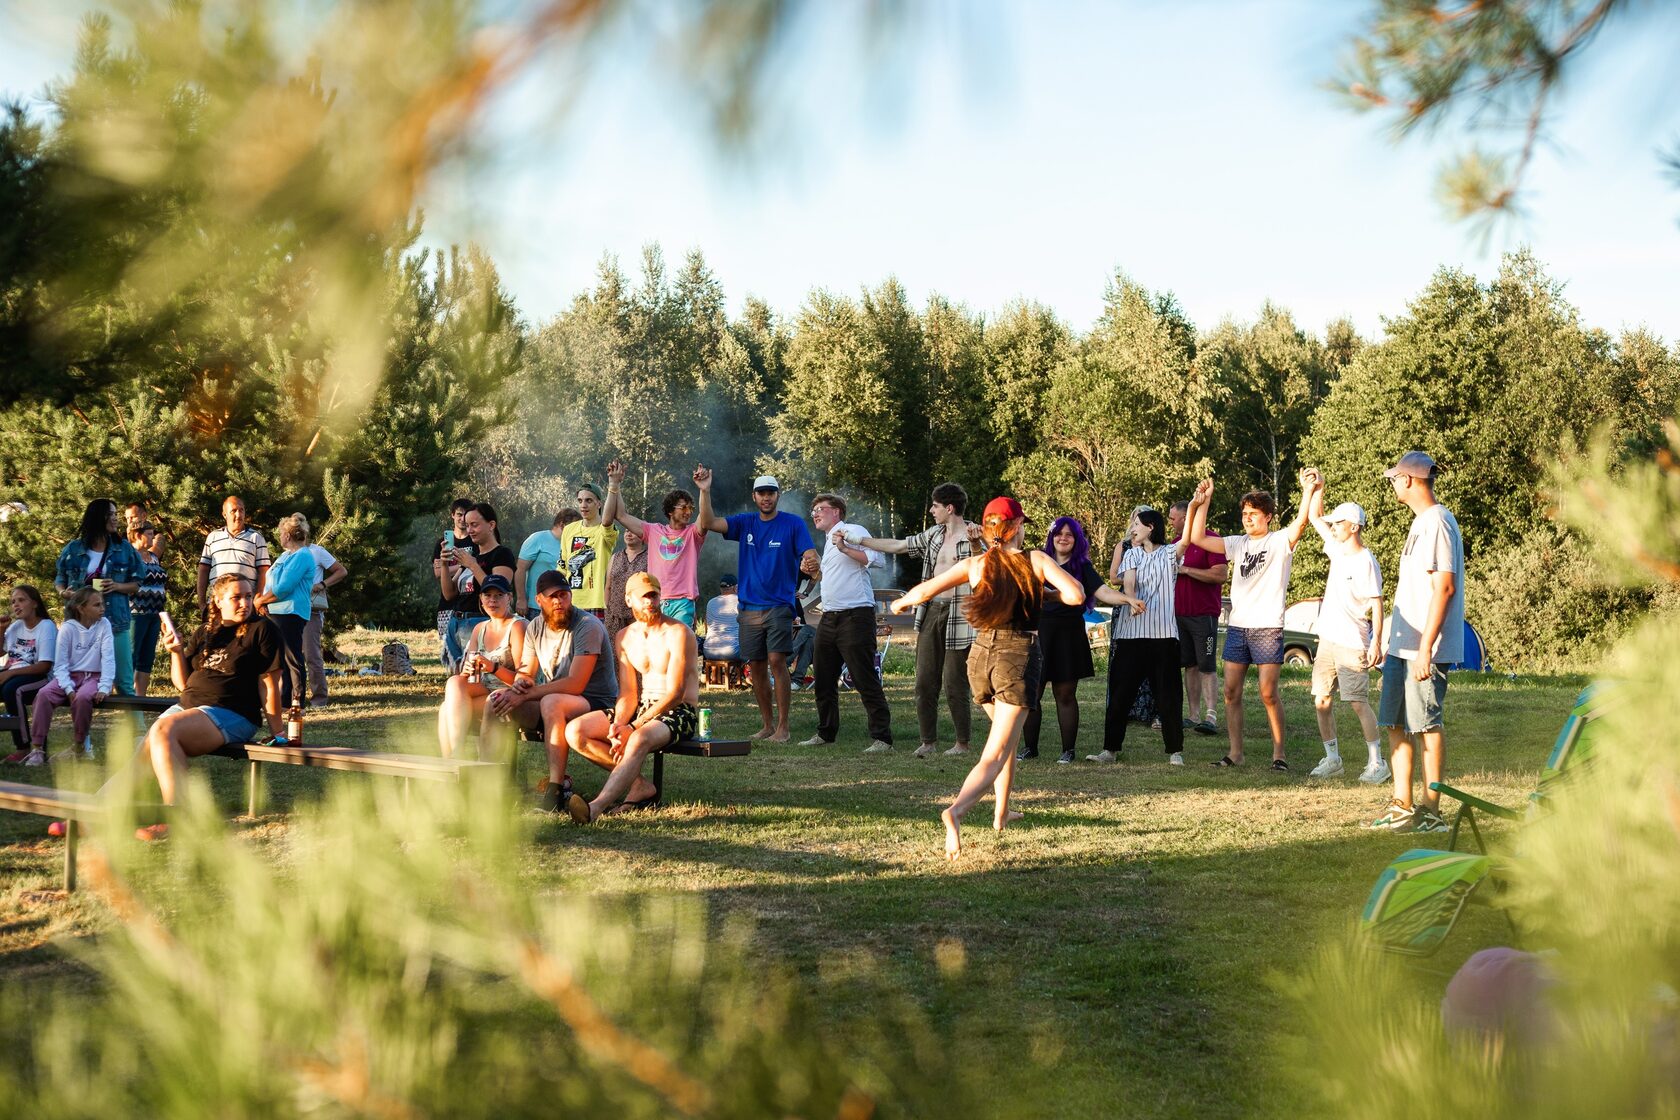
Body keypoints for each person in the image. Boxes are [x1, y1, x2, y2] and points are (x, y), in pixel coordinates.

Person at [891, 496, 1085, 860]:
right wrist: (1043, 591)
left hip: (980, 657)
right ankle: (956, 811)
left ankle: (1001, 813)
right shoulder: (1035, 560)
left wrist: (900, 603)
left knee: (1007, 740)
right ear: (1016, 527)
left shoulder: (977, 563)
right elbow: (1076, 595)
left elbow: (923, 592)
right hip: (1016, 656)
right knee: (994, 752)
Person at [126, 574, 285, 841]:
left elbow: (268, 684)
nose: (245, 602)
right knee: (143, 749)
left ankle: (176, 817)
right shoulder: (205, 632)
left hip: (232, 713)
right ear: (218, 601)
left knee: (163, 729)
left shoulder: (263, 629)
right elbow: (183, 684)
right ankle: (98, 814)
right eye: (236, 597)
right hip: (190, 708)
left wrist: (278, 731)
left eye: (248, 596)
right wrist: (176, 652)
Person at [1184, 477, 1313, 770]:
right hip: (1239, 628)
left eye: (1253, 514)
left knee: (1268, 693)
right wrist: (1204, 501)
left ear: (1267, 516)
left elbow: (1301, 524)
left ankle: (1279, 755)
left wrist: (1307, 492)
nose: (1247, 519)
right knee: (1231, 692)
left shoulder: (1279, 541)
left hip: (1267, 627)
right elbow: (1197, 538)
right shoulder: (1236, 543)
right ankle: (1236, 753)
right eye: (1244, 514)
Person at [1367, 451, 1465, 834]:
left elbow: (1444, 587)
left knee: (1426, 724)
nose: (1392, 484)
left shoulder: (1438, 522)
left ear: (1409, 480)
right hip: (1401, 646)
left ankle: (1431, 811)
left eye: (1395, 478)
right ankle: (1402, 804)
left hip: (1423, 649)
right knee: (1395, 723)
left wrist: (1426, 647)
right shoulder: (1421, 523)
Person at [853, 483, 983, 759]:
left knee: (954, 681)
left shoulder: (975, 534)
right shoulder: (934, 534)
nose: (931, 511)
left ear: (949, 508)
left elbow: (983, 566)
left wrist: (974, 543)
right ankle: (928, 741)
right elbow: (900, 545)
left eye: (935, 506)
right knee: (924, 680)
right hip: (932, 610)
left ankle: (962, 743)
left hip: (961, 614)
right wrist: (861, 541)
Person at [695, 468, 819, 743]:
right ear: (754, 496)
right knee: (757, 665)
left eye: (770, 493)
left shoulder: (793, 524)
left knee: (777, 660)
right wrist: (704, 490)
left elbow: (809, 554)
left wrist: (811, 561)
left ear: (778, 495)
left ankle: (783, 728)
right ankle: (767, 725)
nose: (766, 498)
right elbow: (708, 522)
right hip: (749, 606)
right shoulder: (746, 523)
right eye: (761, 493)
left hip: (779, 604)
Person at [564, 572, 701, 821]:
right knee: (575, 730)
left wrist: (633, 726)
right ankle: (639, 785)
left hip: (680, 711)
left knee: (637, 738)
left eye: (654, 596)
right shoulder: (624, 637)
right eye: (644, 597)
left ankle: (595, 808)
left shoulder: (678, 633)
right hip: (643, 708)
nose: (650, 602)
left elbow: (675, 693)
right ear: (629, 600)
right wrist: (618, 725)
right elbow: (628, 693)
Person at [488, 570, 618, 811]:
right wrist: (520, 684)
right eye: (553, 596)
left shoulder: (587, 626)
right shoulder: (535, 627)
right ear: (539, 600)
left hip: (598, 703)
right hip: (558, 701)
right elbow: (526, 672)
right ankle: (493, 781)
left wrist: (529, 693)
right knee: (497, 700)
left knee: (551, 702)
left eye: (564, 595)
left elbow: (576, 684)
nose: (559, 601)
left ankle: (555, 791)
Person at [1301, 475, 1388, 782]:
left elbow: (1377, 603)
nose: (1333, 527)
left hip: (1353, 642)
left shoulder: (1366, 561)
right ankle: (1332, 758)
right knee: (1321, 699)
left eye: (1338, 523)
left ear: (1354, 526)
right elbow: (1313, 516)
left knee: (1357, 702)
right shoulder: (1336, 548)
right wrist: (1317, 488)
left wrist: (1376, 642)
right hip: (1329, 640)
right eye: (1333, 523)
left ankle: (1378, 763)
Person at [1090, 508, 1188, 765]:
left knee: (1168, 696)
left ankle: (1175, 751)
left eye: (1137, 523)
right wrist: (1131, 600)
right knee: (1120, 693)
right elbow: (1129, 582)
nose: (1132, 528)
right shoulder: (1131, 553)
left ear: (1151, 527)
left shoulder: (1169, 553)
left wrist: (1199, 506)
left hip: (1163, 637)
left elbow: (1187, 538)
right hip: (1130, 636)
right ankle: (1109, 750)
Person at [807, 494, 893, 752]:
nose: (815, 514)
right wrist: (814, 572)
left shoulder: (851, 530)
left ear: (837, 511)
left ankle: (882, 738)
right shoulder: (828, 540)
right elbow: (835, 576)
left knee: (863, 677)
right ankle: (826, 733)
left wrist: (845, 547)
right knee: (822, 678)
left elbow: (878, 560)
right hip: (830, 616)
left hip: (856, 615)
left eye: (820, 509)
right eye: (812, 511)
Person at [1019, 517, 1105, 765]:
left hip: (1069, 635)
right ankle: (1030, 748)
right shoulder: (1039, 562)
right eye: (1059, 534)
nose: (1063, 538)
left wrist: (1127, 600)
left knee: (1065, 694)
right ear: (1052, 537)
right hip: (1040, 632)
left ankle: (1068, 751)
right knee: (1032, 693)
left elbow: (1102, 591)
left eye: (1069, 534)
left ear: (1076, 540)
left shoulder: (1083, 566)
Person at [603, 460, 708, 627]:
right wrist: (615, 484)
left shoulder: (693, 533)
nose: (688, 512)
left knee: (677, 648)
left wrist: (704, 490)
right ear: (670, 511)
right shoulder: (654, 531)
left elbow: (706, 517)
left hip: (682, 601)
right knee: (655, 648)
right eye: (683, 508)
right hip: (654, 599)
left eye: (690, 508)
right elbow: (621, 516)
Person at [54, 498, 142, 696]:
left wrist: (118, 585)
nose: (115, 519)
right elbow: (59, 578)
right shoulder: (73, 549)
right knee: (79, 682)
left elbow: (138, 583)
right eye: (111, 514)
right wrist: (64, 593)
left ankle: (138, 728)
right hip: (80, 627)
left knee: (125, 684)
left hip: (115, 623)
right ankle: (81, 727)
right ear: (98, 518)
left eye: (116, 514)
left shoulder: (124, 548)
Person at [436, 574, 526, 759]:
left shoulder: (517, 626)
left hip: (511, 693)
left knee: (447, 709)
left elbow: (522, 679)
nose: (492, 600)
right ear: (481, 599)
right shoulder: (480, 628)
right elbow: (470, 677)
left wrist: (492, 667)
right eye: (487, 595)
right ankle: (454, 760)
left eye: (498, 595)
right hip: (485, 689)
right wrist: (467, 671)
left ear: (509, 597)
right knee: (454, 683)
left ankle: (457, 763)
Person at [27, 587, 113, 763]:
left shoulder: (104, 624)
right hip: (69, 676)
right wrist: (67, 688)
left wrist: (104, 685)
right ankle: (37, 749)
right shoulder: (67, 628)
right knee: (44, 694)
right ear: (81, 608)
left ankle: (79, 746)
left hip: (94, 677)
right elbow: (60, 664)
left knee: (82, 698)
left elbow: (108, 658)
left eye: (102, 604)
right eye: (97, 605)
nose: (102, 608)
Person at [1168, 499, 1226, 736]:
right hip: (1178, 615)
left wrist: (1186, 570)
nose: (1170, 522)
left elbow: (1220, 575)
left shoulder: (1211, 540)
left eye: (1173, 518)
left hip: (1204, 615)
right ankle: (1193, 715)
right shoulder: (1174, 544)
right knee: (1189, 665)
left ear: (1185, 518)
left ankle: (1211, 715)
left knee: (1206, 665)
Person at [438, 502, 516, 675]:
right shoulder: (471, 557)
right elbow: (449, 594)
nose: (470, 530)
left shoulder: (502, 554)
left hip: (479, 622)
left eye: (475, 525)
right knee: (457, 674)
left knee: (474, 676)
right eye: (467, 526)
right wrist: (444, 564)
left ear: (491, 525)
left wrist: (472, 565)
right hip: (456, 622)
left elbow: (499, 589)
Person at [253, 514, 315, 713]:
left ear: (288, 535)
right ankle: (285, 701)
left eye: (281, 533)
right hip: (275, 611)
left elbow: (284, 587)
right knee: (281, 658)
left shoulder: (303, 555)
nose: (279, 536)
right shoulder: (285, 556)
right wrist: (262, 601)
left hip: (291, 612)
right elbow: (271, 581)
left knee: (292, 657)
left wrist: (261, 600)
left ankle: (298, 701)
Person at [0, 585, 57, 760]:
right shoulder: (16, 626)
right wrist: (1, 629)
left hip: (41, 677)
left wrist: (9, 674)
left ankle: (24, 747)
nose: (16, 605)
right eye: (13, 602)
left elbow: (44, 666)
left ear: (34, 603)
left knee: (12, 690)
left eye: (21, 600)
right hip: (15, 673)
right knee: (9, 686)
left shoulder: (46, 626)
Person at [297, 515, 347, 708]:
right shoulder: (288, 554)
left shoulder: (317, 552)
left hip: (311, 611)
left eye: (301, 526)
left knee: (312, 655)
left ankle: (319, 699)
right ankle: (296, 698)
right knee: (293, 657)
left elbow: (341, 571)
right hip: (290, 610)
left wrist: (322, 584)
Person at [197, 495, 271, 614]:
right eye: (233, 511)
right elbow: (203, 569)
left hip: (244, 605)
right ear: (224, 514)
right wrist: (201, 603)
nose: (238, 515)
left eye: (241, 510)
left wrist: (257, 599)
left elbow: (264, 571)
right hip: (217, 604)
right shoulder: (213, 537)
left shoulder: (256, 537)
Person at [558, 483, 618, 620]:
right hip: (570, 601)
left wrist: (613, 485)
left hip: (596, 603)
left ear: (599, 504)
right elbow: (562, 566)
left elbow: (607, 521)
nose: (583, 505)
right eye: (580, 501)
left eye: (588, 500)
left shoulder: (605, 530)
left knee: (594, 641)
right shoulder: (569, 529)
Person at [432, 498, 475, 661]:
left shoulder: (475, 540)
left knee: (470, 649)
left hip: (469, 600)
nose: (462, 519)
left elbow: (478, 565)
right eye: (459, 514)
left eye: (466, 515)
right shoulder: (442, 543)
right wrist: (467, 563)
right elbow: (437, 573)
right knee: (448, 649)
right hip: (446, 602)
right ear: (452, 515)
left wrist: (448, 568)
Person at [128, 521, 168, 697]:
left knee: (146, 660)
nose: (153, 537)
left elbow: (162, 539)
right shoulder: (129, 556)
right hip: (136, 614)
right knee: (132, 657)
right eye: (149, 533)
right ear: (138, 535)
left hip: (155, 614)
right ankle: (124, 698)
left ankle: (140, 699)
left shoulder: (153, 557)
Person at [515, 509, 570, 620]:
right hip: (537, 607)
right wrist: (521, 599)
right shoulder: (538, 539)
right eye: (574, 526)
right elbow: (520, 569)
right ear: (562, 525)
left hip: (562, 607)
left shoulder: (571, 544)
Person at [603, 523, 648, 646]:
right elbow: (608, 586)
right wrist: (607, 609)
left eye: (632, 531)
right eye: (627, 531)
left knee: (638, 651)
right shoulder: (615, 557)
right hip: (614, 616)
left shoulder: (650, 557)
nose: (629, 533)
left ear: (642, 535)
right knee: (615, 652)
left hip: (639, 615)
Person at [702, 575, 741, 662]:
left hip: (708, 651)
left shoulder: (710, 602)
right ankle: (748, 673)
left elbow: (707, 624)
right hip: (732, 651)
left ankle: (717, 674)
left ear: (721, 588)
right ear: (735, 588)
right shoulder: (740, 601)